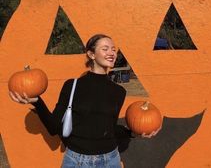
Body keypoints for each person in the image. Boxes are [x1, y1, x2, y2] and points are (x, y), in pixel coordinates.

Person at [9, 34, 158, 168]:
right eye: (105, 49)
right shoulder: (72, 86)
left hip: (110, 159)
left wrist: (132, 132)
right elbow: (54, 128)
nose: (112, 53)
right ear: (91, 54)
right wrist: (37, 101)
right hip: (76, 161)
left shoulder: (119, 92)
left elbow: (107, 129)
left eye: (113, 49)